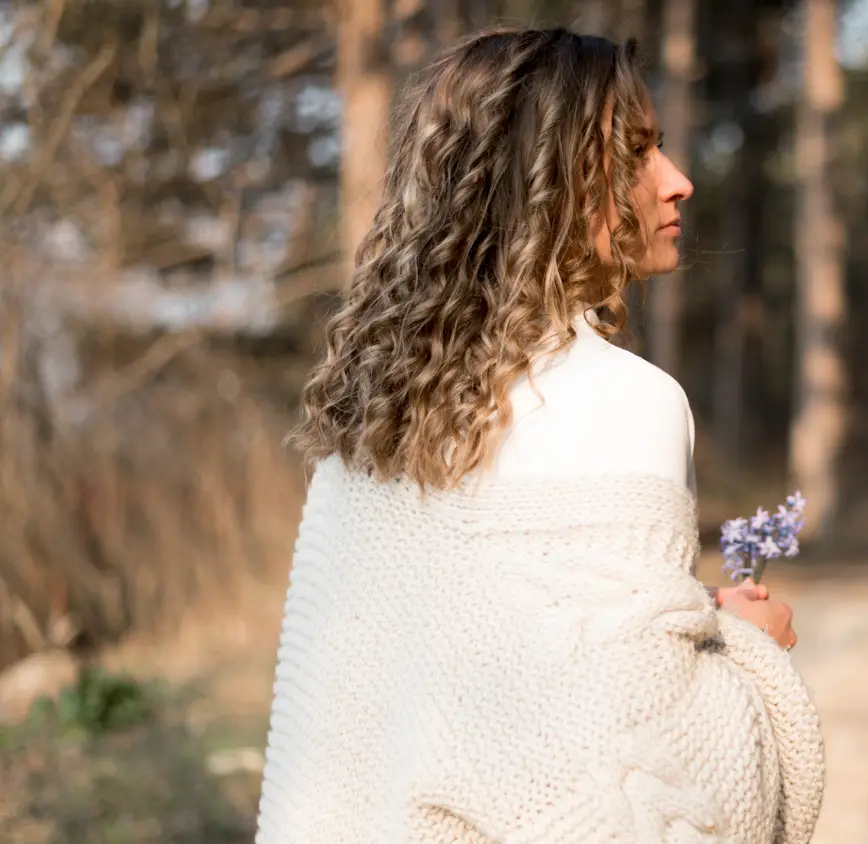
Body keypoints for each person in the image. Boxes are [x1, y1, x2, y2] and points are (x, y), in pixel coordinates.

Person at [253, 26, 823, 844]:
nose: (678, 182)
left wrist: (680, 626)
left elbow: (376, 743)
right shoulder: (629, 402)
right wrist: (751, 654)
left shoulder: (370, 423)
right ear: (550, 184)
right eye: (636, 153)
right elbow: (648, 807)